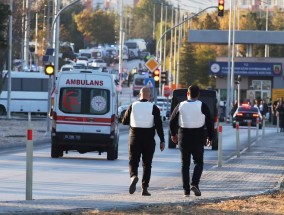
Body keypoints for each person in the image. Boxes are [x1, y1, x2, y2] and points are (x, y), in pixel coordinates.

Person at [169, 85, 214, 197]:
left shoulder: (180, 105)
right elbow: (209, 122)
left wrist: (173, 134)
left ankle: (186, 190)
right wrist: (210, 137)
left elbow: (172, 121)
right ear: (198, 95)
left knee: (185, 164)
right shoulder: (202, 105)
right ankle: (194, 183)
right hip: (199, 135)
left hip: (183, 135)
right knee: (198, 162)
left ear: (187, 94)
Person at [122, 87, 165, 196]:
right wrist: (162, 140)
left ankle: (133, 176)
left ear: (139, 95)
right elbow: (159, 125)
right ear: (149, 96)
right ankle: (144, 188)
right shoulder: (154, 107)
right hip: (149, 139)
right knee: (147, 164)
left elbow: (124, 121)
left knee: (133, 160)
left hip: (134, 136)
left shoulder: (132, 106)